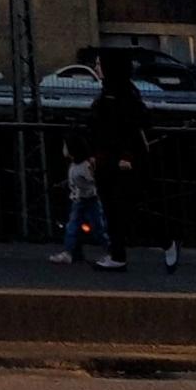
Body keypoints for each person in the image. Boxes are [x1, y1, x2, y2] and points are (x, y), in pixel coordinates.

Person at [82, 54, 174, 273]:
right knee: (119, 209)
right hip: (111, 159)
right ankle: (121, 253)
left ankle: (161, 241)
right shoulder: (118, 92)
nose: (96, 67)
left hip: (116, 161)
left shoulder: (117, 95)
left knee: (125, 208)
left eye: (99, 63)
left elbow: (125, 127)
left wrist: (125, 156)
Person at [49, 136, 109, 264]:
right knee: (74, 226)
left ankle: (110, 251)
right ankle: (69, 252)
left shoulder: (83, 167)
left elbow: (93, 180)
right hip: (80, 200)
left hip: (88, 199)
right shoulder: (77, 165)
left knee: (97, 228)